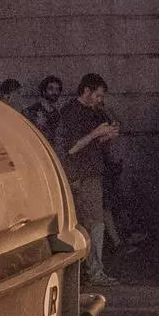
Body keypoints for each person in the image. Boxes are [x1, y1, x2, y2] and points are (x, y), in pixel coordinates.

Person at [51, 73, 121, 287]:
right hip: (81, 175)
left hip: (90, 172)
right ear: (86, 91)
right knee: (93, 224)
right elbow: (71, 148)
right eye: (98, 95)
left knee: (89, 224)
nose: (100, 100)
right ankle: (94, 270)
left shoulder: (90, 112)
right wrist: (96, 133)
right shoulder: (71, 113)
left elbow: (88, 144)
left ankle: (87, 270)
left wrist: (105, 136)